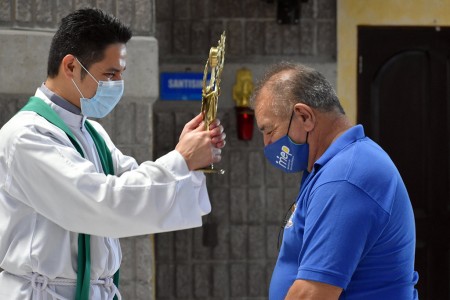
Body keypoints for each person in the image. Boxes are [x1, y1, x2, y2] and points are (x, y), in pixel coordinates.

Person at [0, 8, 226, 300]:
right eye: (110, 73)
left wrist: (188, 160)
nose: (118, 83)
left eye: (121, 73)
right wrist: (180, 159)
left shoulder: (91, 132)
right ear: (70, 66)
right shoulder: (26, 136)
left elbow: (134, 188)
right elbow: (102, 203)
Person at [251, 63, 418, 299]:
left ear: (304, 116)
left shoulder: (346, 178)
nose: (267, 144)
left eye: (269, 131)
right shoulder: (332, 166)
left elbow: (312, 294)